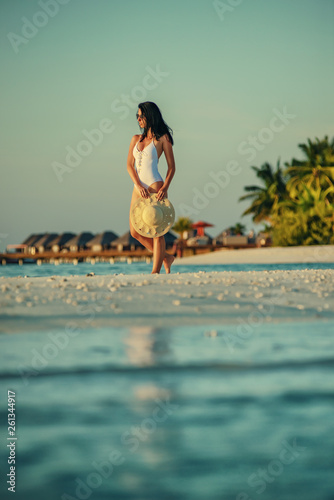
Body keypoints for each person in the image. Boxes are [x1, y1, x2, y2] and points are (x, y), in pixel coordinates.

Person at [127, 102, 176, 274]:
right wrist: (138, 185)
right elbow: (129, 166)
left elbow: (172, 167)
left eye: (141, 115)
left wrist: (165, 187)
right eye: (137, 116)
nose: (138, 119)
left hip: (155, 186)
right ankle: (165, 257)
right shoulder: (135, 139)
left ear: (150, 116)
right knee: (135, 231)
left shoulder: (163, 138)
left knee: (157, 231)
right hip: (138, 188)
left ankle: (155, 271)